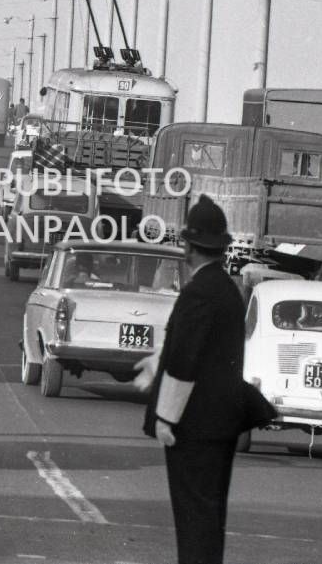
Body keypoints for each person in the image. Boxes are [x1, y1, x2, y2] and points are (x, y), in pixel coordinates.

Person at [136, 195, 245, 564]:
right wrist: (156, 363)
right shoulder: (228, 291)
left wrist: (165, 418)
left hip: (193, 426)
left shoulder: (198, 292)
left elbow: (186, 359)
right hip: (220, 425)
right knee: (209, 518)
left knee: (193, 518)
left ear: (190, 247)